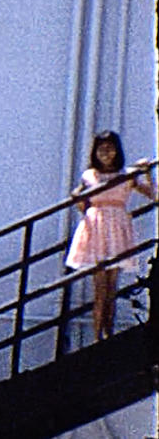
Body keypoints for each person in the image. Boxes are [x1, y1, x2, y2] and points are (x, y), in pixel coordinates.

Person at [65, 130, 156, 341]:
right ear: (95, 152)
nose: (106, 154)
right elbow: (80, 203)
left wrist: (147, 174)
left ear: (117, 151)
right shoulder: (90, 176)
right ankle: (98, 336)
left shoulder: (126, 175)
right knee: (100, 288)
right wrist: (78, 198)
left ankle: (109, 333)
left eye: (110, 149)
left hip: (117, 229)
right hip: (96, 229)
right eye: (101, 149)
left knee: (112, 287)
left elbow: (153, 195)